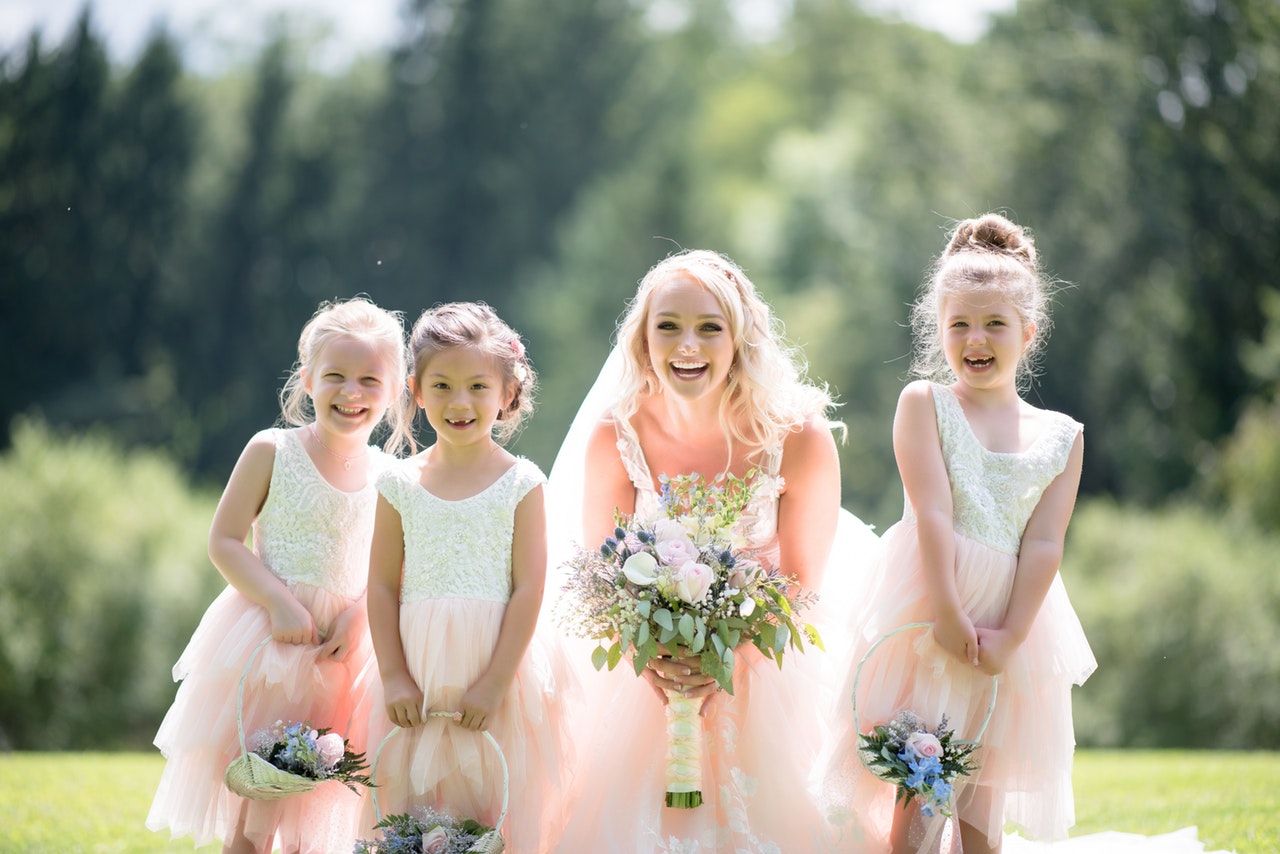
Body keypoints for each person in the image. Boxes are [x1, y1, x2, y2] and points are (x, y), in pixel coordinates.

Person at [546, 249, 878, 852]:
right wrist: (654, 663)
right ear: (643, 341)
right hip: (648, 667)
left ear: (740, 337)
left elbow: (803, 579)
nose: (687, 345)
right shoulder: (613, 434)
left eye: (709, 327)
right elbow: (603, 578)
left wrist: (722, 665)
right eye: (667, 326)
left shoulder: (798, 434)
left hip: (773, 657)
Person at [818, 213, 1095, 853]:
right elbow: (933, 511)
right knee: (922, 790)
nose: (977, 338)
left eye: (995, 323)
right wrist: (946, 608)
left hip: (1010, 619)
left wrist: (1013, 634)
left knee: (984, 807)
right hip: (931, 608)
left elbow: (1045, 542)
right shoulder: (926, 404)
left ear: (1028, 331)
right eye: (960, 324)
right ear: (939, 330)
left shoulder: (1062, 436)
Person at [148, 297, 412, 854]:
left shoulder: (393, 477)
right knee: (255, 810)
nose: (351, 392)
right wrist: (277, 601)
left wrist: (362, 616)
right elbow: (224, 541)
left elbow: (396, 567)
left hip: (342, 656)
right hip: (269, 647)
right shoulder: (273, 451)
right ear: (308, 378)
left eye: (370, 380)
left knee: (314, 810)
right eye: (335, 376)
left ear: (394, 391)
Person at [362, 302, 571, 853]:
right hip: (417, 662)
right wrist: (394, 675)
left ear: (507, 392)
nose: (460, 402)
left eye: (478, 386)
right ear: (417, 389)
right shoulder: (398, 483)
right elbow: (381, 585)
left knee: (491, 807)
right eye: (444, 386)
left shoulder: (521, 482)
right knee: (413, 802)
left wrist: (496, 681)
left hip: (496, 665)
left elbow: (529, 587)